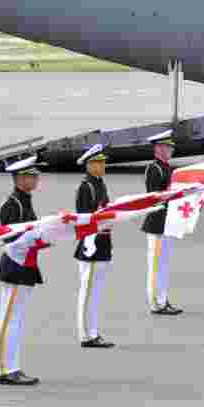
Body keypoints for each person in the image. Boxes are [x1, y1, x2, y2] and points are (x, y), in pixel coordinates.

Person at [0, 156, 44, 386]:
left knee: (16, 319)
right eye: (31, 176)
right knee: (9, 320)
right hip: (15, 265)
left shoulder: (24, 201)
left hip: (24, 266)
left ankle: (11, 366)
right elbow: (10, 239)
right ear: (19, 178)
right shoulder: (12, 205)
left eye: (35, 175)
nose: (35, 179)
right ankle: (6, 369)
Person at [74, 144, 115, 348]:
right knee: (88, 292)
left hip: (103, 242)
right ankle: (86, 335)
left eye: (103, 162)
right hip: (91, 245)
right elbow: (83, 219)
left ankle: (93, 331)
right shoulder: (86, 187)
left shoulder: (100, 184)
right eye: (99, 162)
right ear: (89, 165)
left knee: (95, 293)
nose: (103, 165)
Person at [141, 130, 183, 315]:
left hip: (167, 221)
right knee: (156, 264)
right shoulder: (154, 168)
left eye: (171, 147)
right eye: (167, 146)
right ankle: (155, 302)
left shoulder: (167, 168)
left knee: (163, 264)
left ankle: (163, 299)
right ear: (158, 148)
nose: (170, 149)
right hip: (157, 221)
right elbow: (153, 196)